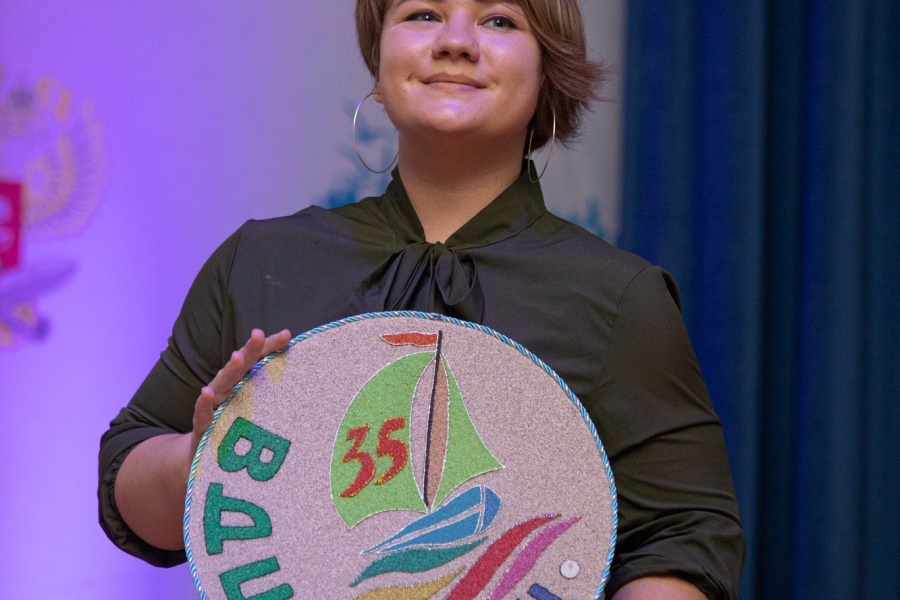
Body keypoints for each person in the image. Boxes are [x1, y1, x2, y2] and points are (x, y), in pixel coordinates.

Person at [99, 1, 744, 598]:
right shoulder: (263, 260)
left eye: (499, 20)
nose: (455, 42)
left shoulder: (619, 296)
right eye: (424, 13)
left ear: (547, 72)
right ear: (378, 63)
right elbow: (130, 482)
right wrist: (197, 459)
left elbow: (684, 538)